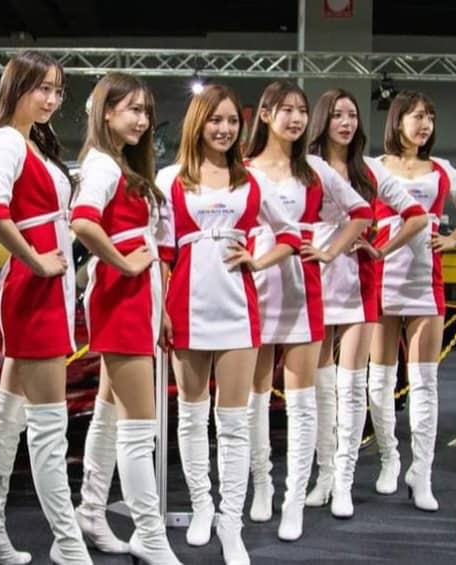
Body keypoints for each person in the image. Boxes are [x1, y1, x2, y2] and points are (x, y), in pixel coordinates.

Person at [158, 83, 300, 564]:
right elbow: (161, 253)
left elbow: (289, 235)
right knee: (192, 416)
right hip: (186, 308)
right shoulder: (170, 179)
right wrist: (160, 309)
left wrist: (258, 262)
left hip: (239, 309)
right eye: (215, 120)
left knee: (234, 422)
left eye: (232, 121)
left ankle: (230, 522)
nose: (224, 129)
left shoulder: (251, 182)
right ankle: (201, 507)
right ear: (198, 123)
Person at [0, 50, 92, 565]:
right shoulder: (6, 141)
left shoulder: (31, 142)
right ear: (16, 86)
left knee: (10, 414)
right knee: (48, 425)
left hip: (44, 285)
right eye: (42, 87)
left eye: (58, 90)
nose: (52, 99)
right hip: (34, 288)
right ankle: (68, 543)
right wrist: (35, 260)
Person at [244, 80, 372, 541]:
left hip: (303, 290)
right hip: (254, 288)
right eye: (287, 109)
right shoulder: (243, 169)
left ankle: (293, 500)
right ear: (265, 114)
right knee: (256, 398)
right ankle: (262, 486)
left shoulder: (314, 169)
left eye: (302, 110)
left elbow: (362, 212)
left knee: (301, 404)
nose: (296, 118)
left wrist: (331, 251)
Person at [70, 72, 181, 564]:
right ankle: (149, 536)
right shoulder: (102, 165)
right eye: (133, 109)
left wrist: (158, 304)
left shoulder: (118, 164)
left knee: (110, 412)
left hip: (136, 299)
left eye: (146, 112)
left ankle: (91, 512)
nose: (142, 120)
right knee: (140, 427)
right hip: (122, 299)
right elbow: (82, 220)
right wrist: (123, 262)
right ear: (107, 111)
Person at [305, 89, 428, 518]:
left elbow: (417, 215)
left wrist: (382, 249)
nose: (346, 122)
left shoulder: (371, 170)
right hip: (314, 279)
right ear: (323, 120)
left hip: (359, 282)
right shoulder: (306, 167)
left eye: (352, 115)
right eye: (337, 114)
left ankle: (343, 481)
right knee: (320, 387)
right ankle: (323, 474)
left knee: (351, 385)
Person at [369, 90, 456, 511]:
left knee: (424, 382)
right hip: (382, 277)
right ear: (397, 120)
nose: (424, 124)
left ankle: (422, 472)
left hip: (425, 280)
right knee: (379, 381)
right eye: (417, 116)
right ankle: (389, 458)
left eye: (430, 118)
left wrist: (453, 238)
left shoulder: (442, 169)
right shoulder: (374, 167)